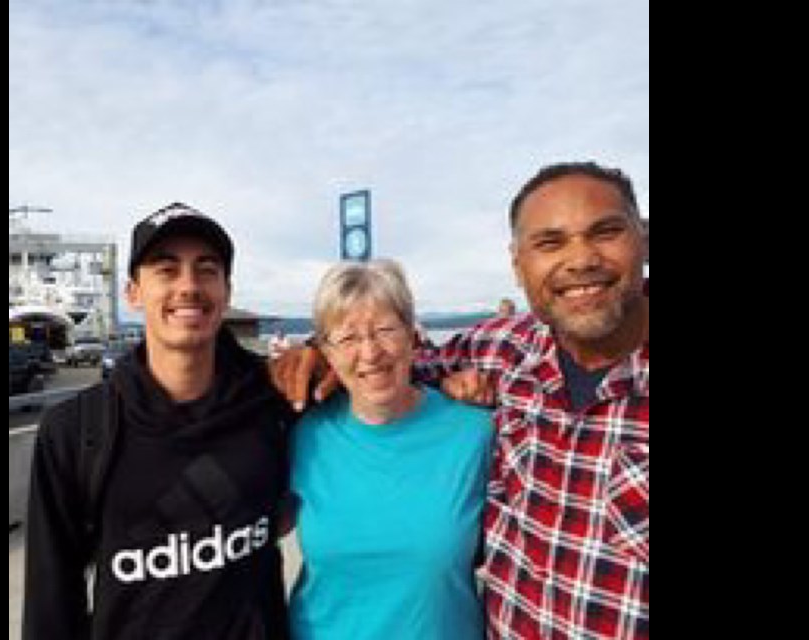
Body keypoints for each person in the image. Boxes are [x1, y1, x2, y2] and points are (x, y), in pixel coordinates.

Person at [271, 161, 649, 639]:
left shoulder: (473, 427)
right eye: (550, 242)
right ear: (518, 264)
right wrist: (320, 358)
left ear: (644, 238)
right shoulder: (505, 352)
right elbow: (386, 371)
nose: (580, 260)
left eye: (606, 231)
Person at [23, 203, 292, 640]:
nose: (189, 286)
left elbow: (369, 384)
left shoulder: (274, 401)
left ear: (226, 289)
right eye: (166, 270)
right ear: (133, 293)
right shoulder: (75, 431)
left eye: (207, 270)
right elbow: (51, 603)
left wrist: (443, 385)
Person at [285, 258, 494, 639]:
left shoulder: (475, 432)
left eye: (385, 330)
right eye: (347, 338)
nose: (369, 352)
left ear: (413, 337)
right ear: (326, 353)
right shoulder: (304, 435)